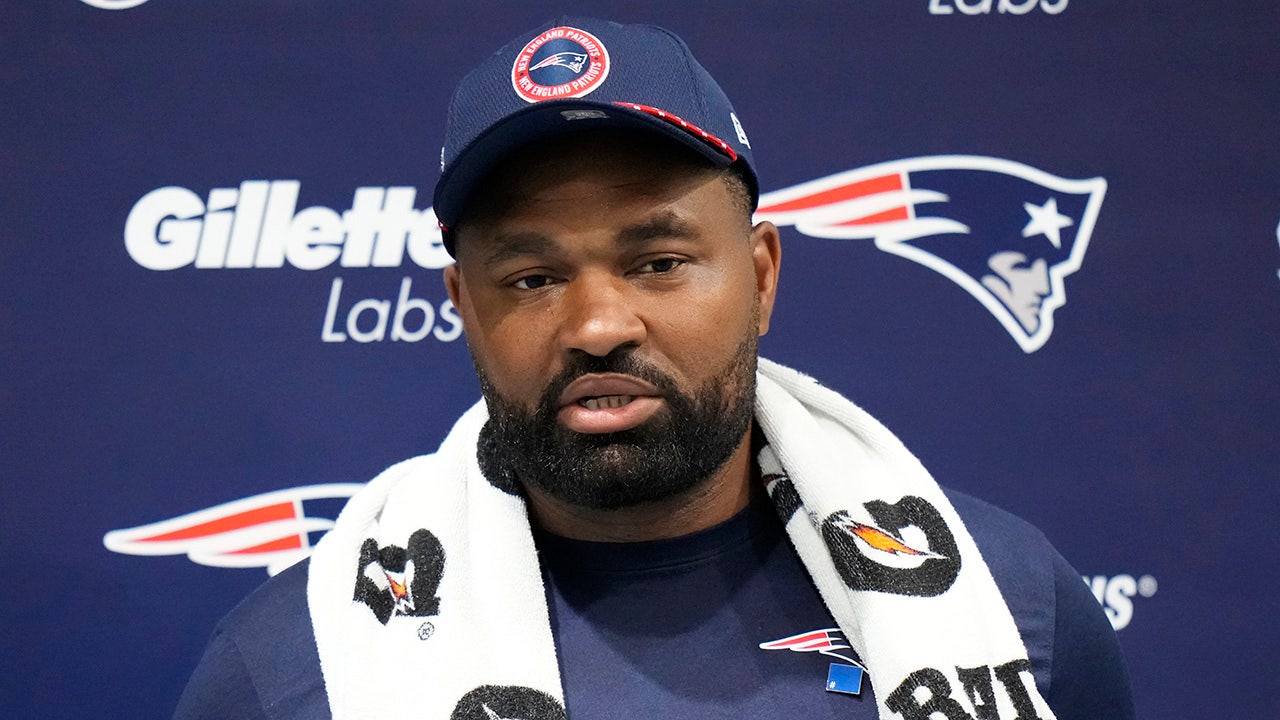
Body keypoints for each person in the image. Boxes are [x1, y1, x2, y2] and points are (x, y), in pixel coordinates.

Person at [174, 17, 1134, 720]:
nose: (597, 323)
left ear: (759, 276)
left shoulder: (1011, 606)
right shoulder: (296, 666)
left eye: (659, 262)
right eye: (533, 274)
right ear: (464, 306)